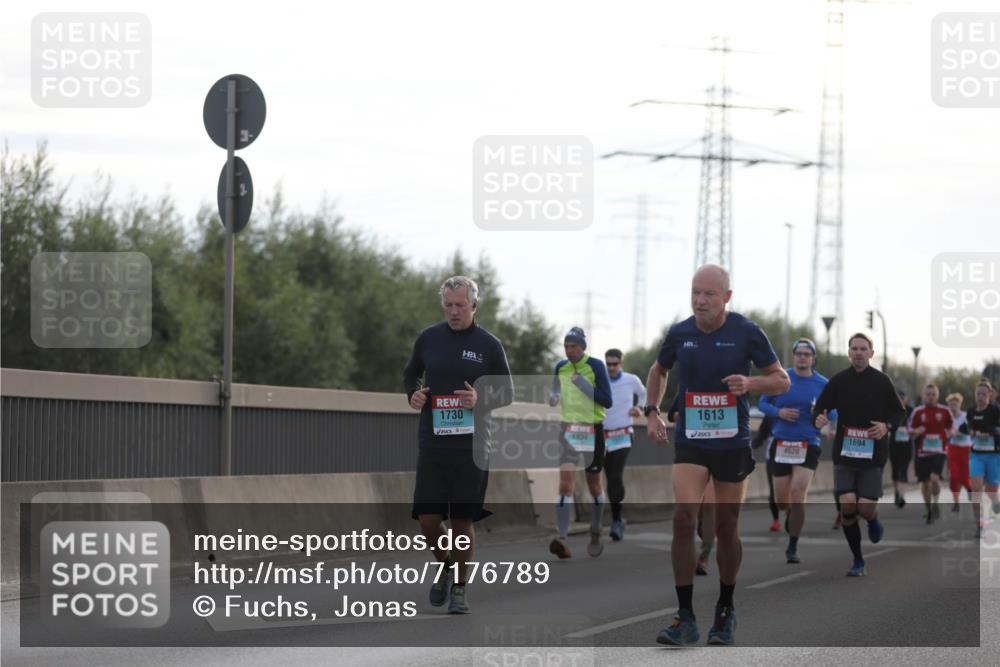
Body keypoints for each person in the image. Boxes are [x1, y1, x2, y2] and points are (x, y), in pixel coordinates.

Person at [647, 265, 790, 646]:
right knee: (682, 518)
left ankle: (725, 609)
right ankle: (686, 616)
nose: (700, 300)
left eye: (709, 294)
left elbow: (781, 379)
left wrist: (751, 383)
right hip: (692, 440)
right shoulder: (680, 333)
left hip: (732, 442)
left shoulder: (746, 331)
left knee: (726, 527)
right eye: (695, 292)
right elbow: (658, 370)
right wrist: (651, 410)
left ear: (726, 297)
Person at [404, 276, 514, 614]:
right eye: (449, 306)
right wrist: (415, 394)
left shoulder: (489, 344)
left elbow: (507, 393)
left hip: (472, 448)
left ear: (474, 306)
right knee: (427, 520)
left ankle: (460, 589)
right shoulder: (429, 338)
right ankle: (447, 564)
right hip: (433, 444)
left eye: (460, 306)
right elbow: (411, 374)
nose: (454, 312)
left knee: (462, 522)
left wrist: (480, 399)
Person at [813, 333, 906, 577]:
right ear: (849, 352)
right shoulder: (839, 381)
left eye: (863, 349)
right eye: (854, 348)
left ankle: (873, 520)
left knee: (864, 509)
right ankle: (857, 560)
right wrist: (819, 418)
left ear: (871, 353)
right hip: (845, 452)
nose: (858, 353)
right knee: (847, 505)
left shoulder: (882, 381)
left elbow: (899, 413)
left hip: (873, 454)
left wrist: (886, 426)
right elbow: (819, 407)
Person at [758, 338, 834, 564]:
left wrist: (823, 416)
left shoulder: (822, 383)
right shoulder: (782, 378)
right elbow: (762, 403)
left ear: (813, 358)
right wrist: (778, 413)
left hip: (809, 443)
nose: (803, 357)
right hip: (782, 442)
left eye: (807, 354)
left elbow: (834, 412)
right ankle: (788, 514)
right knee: (782, 502)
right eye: (799, 354)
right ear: (793, 356)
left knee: (798, 494)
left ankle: (793, 545)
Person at [548, 327, 613, 559]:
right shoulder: (560, 367)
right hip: (568, 430)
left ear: (582, 347)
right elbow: (555, 387)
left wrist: (584, 386)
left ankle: (595, 529)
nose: (569, 350)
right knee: (565, 485)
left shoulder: (595, 366)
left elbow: (607, 400)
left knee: (594, 485)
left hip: (592, 430)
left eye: (573, 346)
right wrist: (553, 396)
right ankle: (562, 539)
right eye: (566, 346)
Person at [602, 348, 647, 541]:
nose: (611, 368)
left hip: (623, 433)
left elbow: (644, 393)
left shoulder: (631, 379)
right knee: (606, 477)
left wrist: (639, 408)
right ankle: (615, 517)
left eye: (615, 364)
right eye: (608, 364)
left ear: (621, 363)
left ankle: (617, 521)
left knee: (615, 476)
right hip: (603, 435)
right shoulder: (600, 378)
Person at [910, 384, 953, 524]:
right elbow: (909, 430)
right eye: (928, 394)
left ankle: (936, 503)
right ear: (923, 396)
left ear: (937, 396)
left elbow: (952, 427)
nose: (930, 397)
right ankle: (928, 509)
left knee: (935, 478)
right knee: (925, 483)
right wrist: (916, 431)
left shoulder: (945, 411)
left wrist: (950, 433)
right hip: (922, 453)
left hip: (939, 451)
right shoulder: (917, 411)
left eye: (933, 394)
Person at [967, 380, 1000, 538]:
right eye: (978, 394)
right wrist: (972, 432)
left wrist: (991, 431)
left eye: (984, 394)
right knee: (976, 488)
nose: (980, 397)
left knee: (992, 491)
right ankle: (979, 524)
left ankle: (995, 505)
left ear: (990, 396)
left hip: (993, 455)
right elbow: (967, 427)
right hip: (976, 455)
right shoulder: (971, 412)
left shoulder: (995, 411)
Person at [749, 415, 781, 532]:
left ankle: (791, 512)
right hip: (773, 456)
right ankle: (776, 520)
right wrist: (751, 446)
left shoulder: (800, 410)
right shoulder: (771, 413)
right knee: (774, 490)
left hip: (795, 455)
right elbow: (762, 433)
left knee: (792, 488)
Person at [945, 392, 972, 512]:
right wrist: (948, 434)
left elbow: (972, 429)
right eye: (950, 405)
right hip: (953, 449)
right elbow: (944, 433)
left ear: (960, 404)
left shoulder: (966, 416)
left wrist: (960, 431)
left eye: (955, 404)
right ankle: (956, 502)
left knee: (965, 476)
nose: (953, 407)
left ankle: (969, 488)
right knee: (954, 476)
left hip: (966, 449)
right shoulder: (946, 418)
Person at [888, 389, 915, 508]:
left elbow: (916, 424)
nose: (901, 400)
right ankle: (896, 491)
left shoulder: (911, 411)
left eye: (903, 398)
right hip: (894, 444)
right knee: (895, 471)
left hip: (907, 445)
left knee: (904, 470)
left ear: (907, 399)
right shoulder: (891, 410)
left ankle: (902, 495)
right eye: (899, 398)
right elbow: (886, 424)